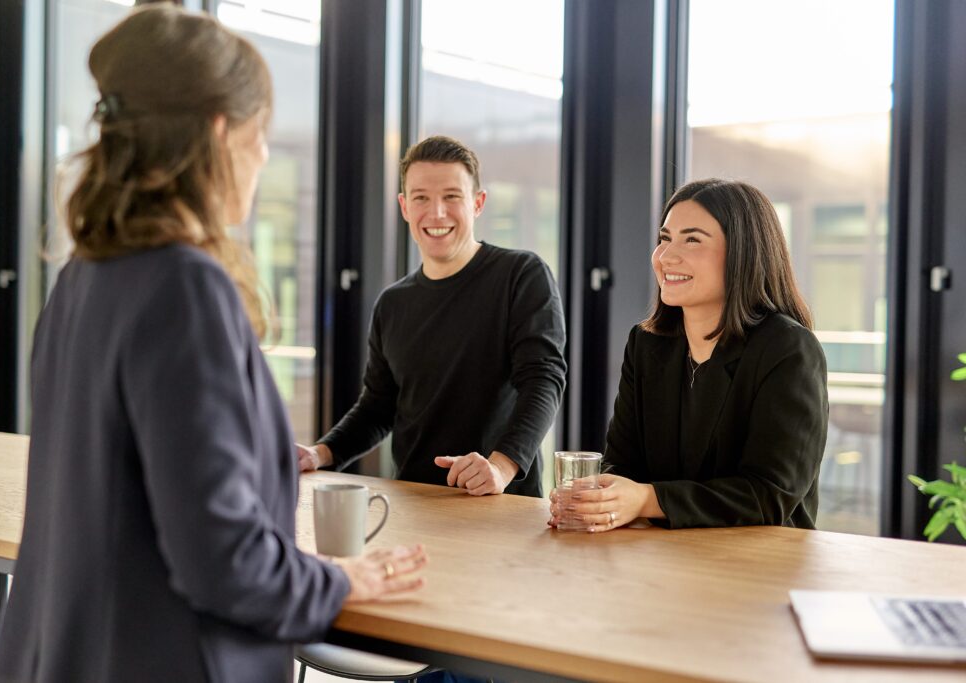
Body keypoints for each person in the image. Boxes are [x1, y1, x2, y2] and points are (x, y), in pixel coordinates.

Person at [0, 6, 425, 683]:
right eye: (261, 136)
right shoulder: (185, 286)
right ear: (221, 133)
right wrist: (342, 580)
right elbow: (224, 559)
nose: (262, 157)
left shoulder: (80, 279)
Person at [550, 178, 828, 532]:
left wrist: (647, 500)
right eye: (665, 238)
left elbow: (769, 495)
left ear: (743, 253)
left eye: (692, 240)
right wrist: (602, 500)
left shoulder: (788, 349)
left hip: (758, 565)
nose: (666, 256)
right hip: (662, 557)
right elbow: (622, 464)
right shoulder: (647, 344)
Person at [298, 136, 567, 498]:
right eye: (421, 197)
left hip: (499, 502)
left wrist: (500, 468)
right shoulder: (392, 304)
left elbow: (543, 380)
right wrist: (319, 453)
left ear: (478, 203)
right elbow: (378, 407)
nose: (436, 213)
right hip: (413, 500)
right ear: (404, 206)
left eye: (452, 197)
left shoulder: (521, 275)